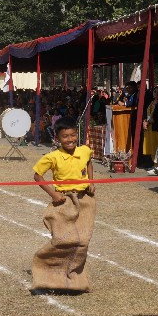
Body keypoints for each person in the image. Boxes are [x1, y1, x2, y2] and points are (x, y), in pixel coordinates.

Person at [30, 117, 96, 293]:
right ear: (57, 139)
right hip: (65, 202)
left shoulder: (84, 150)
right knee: (63, 239)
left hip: (84, 200)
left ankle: (74, 279)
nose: (70, 139)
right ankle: (48, 273)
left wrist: (90, 180)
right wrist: (53, 194)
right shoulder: (52, 157)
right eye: (65, 136)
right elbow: (37, 176)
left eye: (73, 135)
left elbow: (89, 161)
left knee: (82, 240)